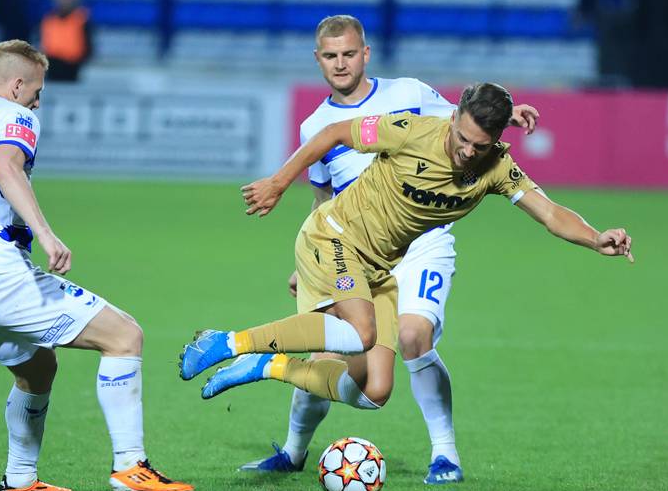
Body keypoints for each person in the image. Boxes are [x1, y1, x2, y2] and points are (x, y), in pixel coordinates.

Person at [179, 82, 633, 452]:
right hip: (335, 235)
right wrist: (279, 183)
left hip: (379, 266)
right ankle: (229, 342)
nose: (468, 152)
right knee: (361, 334)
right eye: (463, 139)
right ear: (452, 118)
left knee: (374, 392)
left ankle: (265, 368)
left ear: (496, 142)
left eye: (481, 145)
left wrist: (596, 238)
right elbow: (335, 133)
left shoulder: (497, 167)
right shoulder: (412, 130)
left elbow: (550, 212)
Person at [235, 15, 540, 485]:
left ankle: (446, 456)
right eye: (331, 56)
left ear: (366, 54)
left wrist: (510, 110)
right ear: (318, 61)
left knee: (416, 335)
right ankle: (294, 452)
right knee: (329, 359)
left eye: (349, 54)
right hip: (351, 246)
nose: (341, 64)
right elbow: (322, 200)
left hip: (421, 242)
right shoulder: (315, 125)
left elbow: (469, 122)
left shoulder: (410, 94)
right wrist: (308, 266)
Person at [0, 40, 192, 491]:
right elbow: (8, 167)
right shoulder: (15, 116)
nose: (38, 101)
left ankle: (20, 478)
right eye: (37, 90)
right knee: (125, 336)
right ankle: (130, 466)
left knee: (38, 368)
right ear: (17, 84)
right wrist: (45, 234)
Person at [40, 0, 93, 82]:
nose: (64, 0)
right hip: (52, 68)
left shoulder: (82, 19)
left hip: (73, 68)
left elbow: (89, 46)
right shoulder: (49, 20)